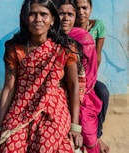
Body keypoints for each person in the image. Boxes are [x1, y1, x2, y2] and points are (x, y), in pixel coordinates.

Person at [0, 0, 84, 152]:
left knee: (45, 145)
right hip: (21, 108)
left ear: (52, 20)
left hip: (52, 108)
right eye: (32, 14)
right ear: (24, 18)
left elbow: (73, 86)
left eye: (44, 14)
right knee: (9, 146)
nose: (38, 19)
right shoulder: (14, 48)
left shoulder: (64, 48)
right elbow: (9, 87)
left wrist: (75, 127)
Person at [58, 0, 103, 153]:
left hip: (83, 91)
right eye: (61, 14)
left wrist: (78, 96)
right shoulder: (49, 36)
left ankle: (98, 137)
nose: (65, 18)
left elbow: (90, 70)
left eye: (70, 14)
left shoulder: (83, 37)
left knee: (88, 133)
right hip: (57, 93)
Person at [75, 0, 110, 152]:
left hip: (90, 77)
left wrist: (89, 82)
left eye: (85, 7)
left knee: (103, 92)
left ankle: (97, 134)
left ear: (91, 8)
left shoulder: (98, 26)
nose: (81, 11)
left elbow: (98, 56)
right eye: (77, 8)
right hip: (73, 76)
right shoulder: (69, 26)